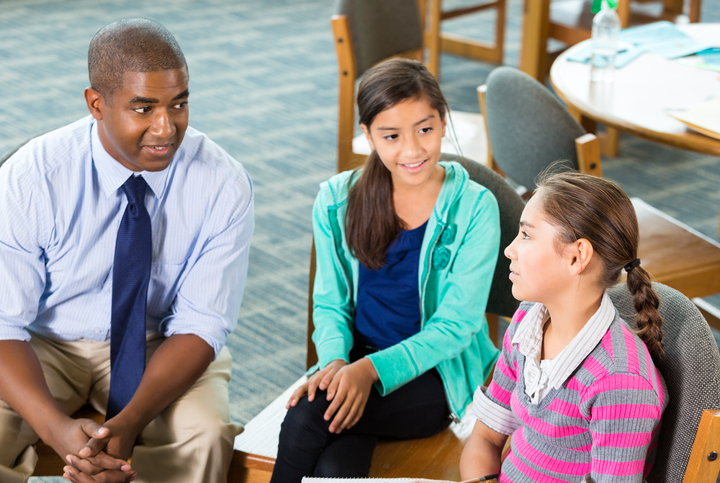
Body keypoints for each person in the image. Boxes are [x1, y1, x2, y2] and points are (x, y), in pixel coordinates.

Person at [0, 18, 253, 483]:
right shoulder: (30, 177)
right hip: (45, 343)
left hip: (161, 344)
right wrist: (56, 431)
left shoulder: (223, 182)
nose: (166, 127)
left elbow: (203, 323)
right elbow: (1, 324)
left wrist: (129, 422)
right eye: (144, 108)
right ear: (97, 104)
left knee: (205, 433)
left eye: (179, 104)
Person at [269, 58, 501, 483]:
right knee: (334, 466)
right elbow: (330, 304)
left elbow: (458, 326)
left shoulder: (475, 207)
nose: (412, 150)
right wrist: (339, 361)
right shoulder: (337, 201)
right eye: (391, 136)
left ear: (443, 121)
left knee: (307, 418)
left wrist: (368, 372)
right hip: (353, 360)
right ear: (368, 135)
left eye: (425, 129)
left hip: (433, 375)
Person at [460, 170, 668, 483]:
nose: (510, 249)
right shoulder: (526, 322)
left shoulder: (619, 382)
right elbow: (485, 438)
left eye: (526, 235)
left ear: (576, 257)